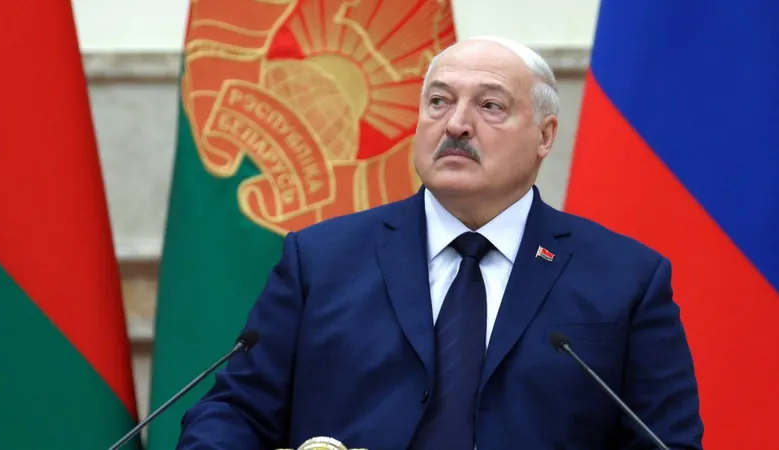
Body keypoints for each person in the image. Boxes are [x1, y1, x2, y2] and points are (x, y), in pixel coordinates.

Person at [176, 35, 704, 449]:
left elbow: (664, 440)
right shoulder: (320, 260)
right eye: (438, 102)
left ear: (544, 136)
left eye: (490, 106)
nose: (456, 124)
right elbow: (237, 410)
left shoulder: (625, 279)